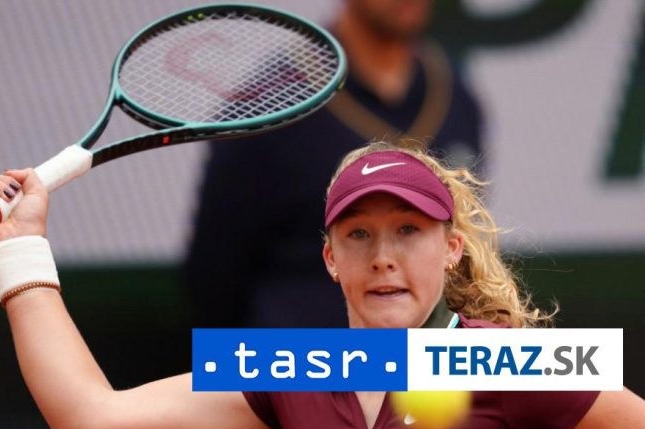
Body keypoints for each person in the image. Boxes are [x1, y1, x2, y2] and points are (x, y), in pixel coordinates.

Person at [0, 142, 645, 429]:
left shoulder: (523, 363)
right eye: (359, 234)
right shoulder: (296, 366)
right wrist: (18, 249)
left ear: (451, 249)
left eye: (409, 231)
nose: (383, 256)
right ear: (330, 259)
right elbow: (91, 421)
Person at [185, 0, 483, 332]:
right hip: (295, 353)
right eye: (357, 233)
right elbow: (214, 273)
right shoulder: (267, 106)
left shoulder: (457, 99)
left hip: (420, 358)